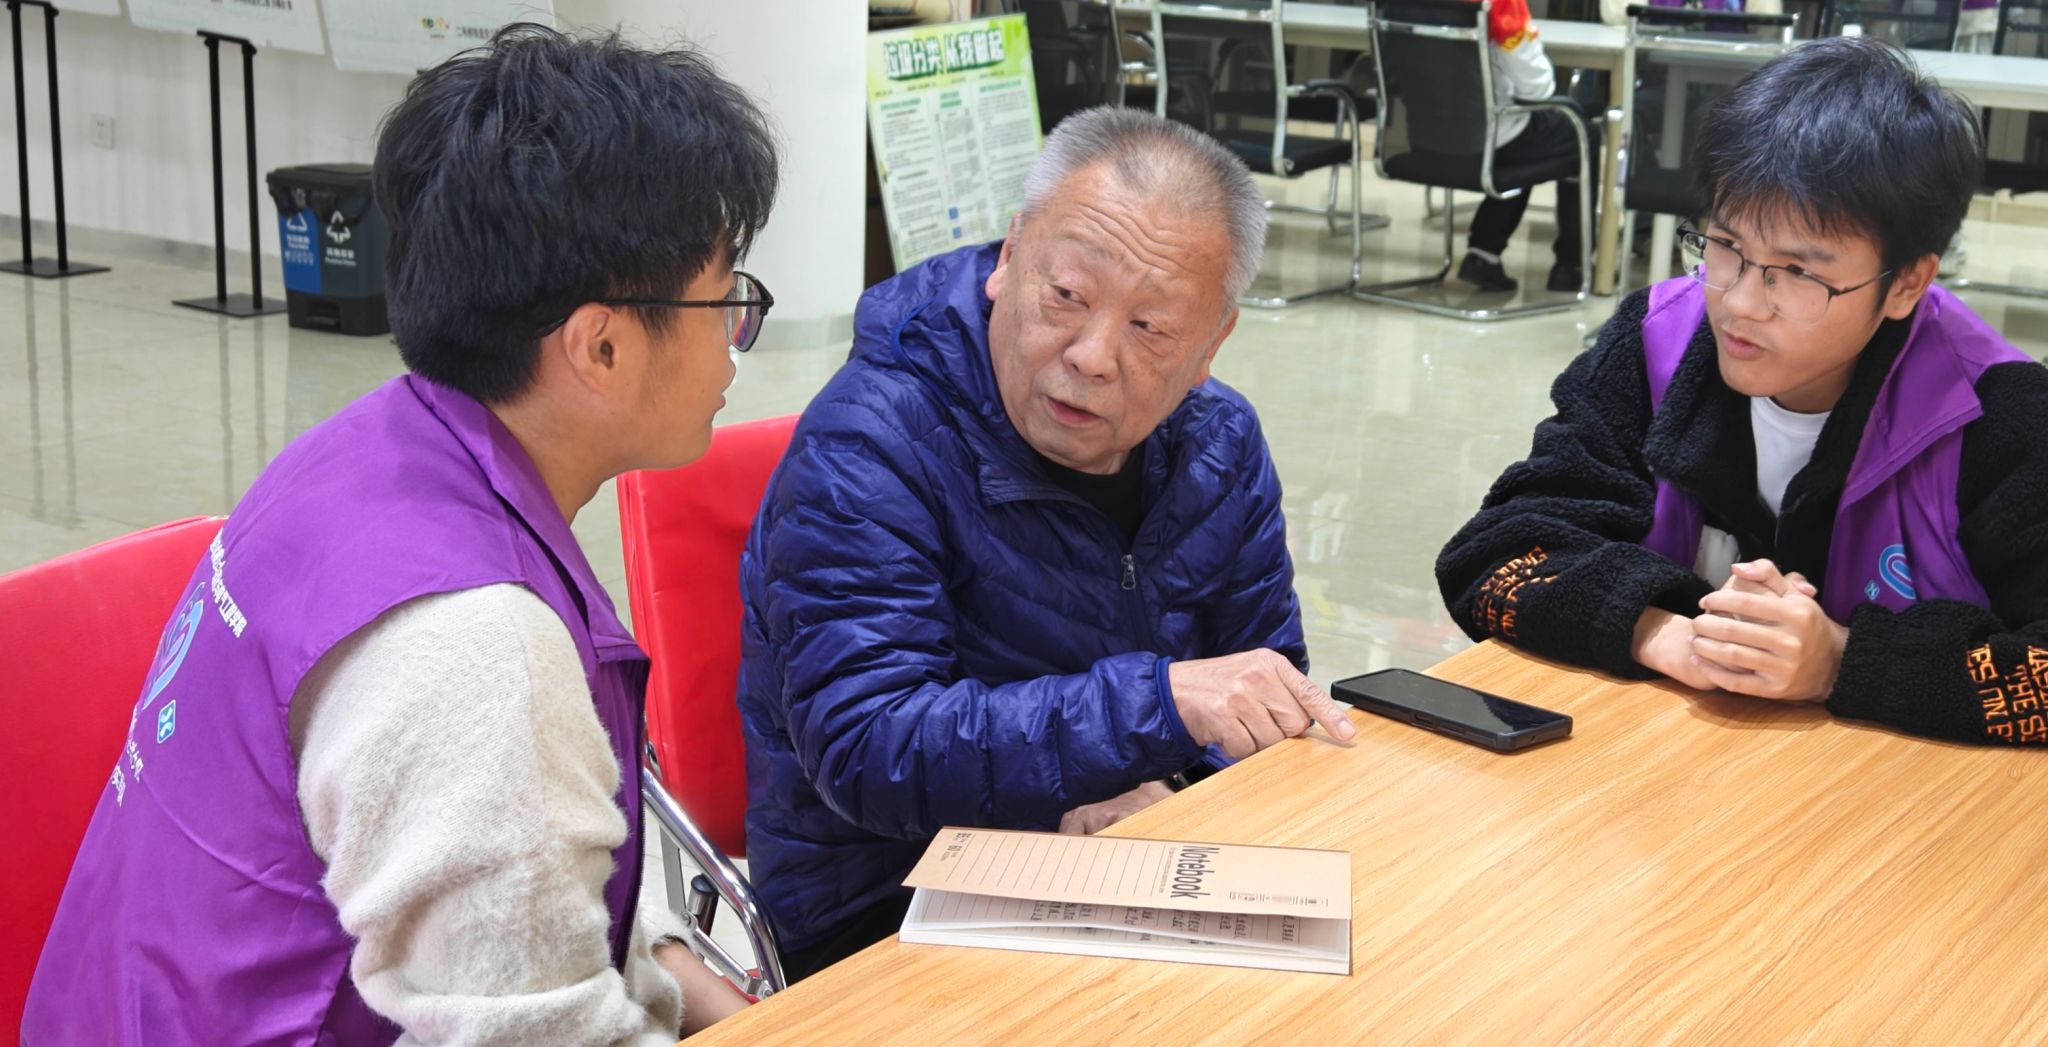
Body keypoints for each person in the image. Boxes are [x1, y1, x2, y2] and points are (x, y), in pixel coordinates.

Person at [25, 25, 775, 1044]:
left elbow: (525, 873)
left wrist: (711, 995)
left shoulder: (366, 450)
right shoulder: (475, 646)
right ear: (599, 346)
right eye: (723, 299)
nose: (734, 336)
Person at [736, 106, 1357, 982]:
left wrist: (1169, 786)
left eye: (1150, 327)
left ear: (1211, 343)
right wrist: (1150, 716)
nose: (1093, 355)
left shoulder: (1219, 443)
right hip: (887, 904)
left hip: (1147, 866)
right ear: (1009, 257)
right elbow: (869, 745)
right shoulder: (871, 439)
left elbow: (1261, 691)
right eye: (1066, 295)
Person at [1436, 38, 2048, 746]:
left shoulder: (1997, 411)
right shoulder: (1656, 343)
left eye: (1799, 273)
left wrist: (1842, 661)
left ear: (1907, 282)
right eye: (1726, 247)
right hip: (1672, 774)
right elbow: (1491, 557)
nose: (1740, 304)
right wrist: (1665, 631)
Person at [1457, 0, 1598, 295]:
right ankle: (1571, 265)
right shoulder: (1501, 4)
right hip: (1493, 137)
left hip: (1420, 138)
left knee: (1537, 134)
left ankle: (1484, 254)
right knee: (1580, 134)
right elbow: (1537, 89)